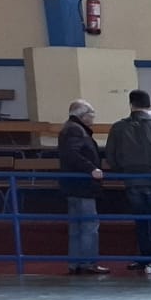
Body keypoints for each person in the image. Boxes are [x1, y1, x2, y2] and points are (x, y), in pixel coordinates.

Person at [104, 88, 151, 273]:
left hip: (132, 181)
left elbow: (110, 156)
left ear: (131, 104)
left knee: (142, 222)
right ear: (149, 105)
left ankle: (145, 259)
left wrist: (123, 172)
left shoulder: (118, 127)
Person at [57, 99, 106, 275]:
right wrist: (91, 168)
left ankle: (75, 262)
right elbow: (73, 154)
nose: (93, 118)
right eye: (91, 115)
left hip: (73, 185)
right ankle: (87, 262)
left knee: (76, 227)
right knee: (88, 225)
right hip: (83, 186)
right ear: (83, 116)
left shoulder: (70, 128)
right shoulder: (76, 130)